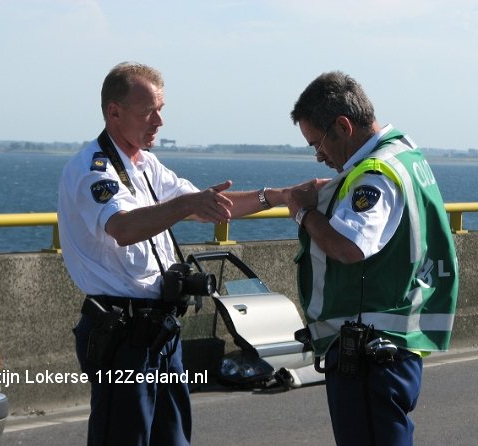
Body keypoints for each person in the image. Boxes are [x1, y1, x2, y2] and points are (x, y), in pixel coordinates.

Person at [57, 61, 300, 446]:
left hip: (158, 332)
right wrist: (186, 205)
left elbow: (211, 205)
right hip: (123, 334)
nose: (159, 121)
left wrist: (277, 197)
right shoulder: (94, 168)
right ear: (113, 112)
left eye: (161, 109)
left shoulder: (145, 163)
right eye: (148, 112)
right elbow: (122, 227)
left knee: (173, 437)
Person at [287, 71, 459, 446]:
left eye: (317, 143)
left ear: (343, 127)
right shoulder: (404, 157)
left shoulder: (375, 175)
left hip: (370, 349)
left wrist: (302, 212)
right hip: (395, 342)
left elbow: (350, 247)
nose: (319, 156)